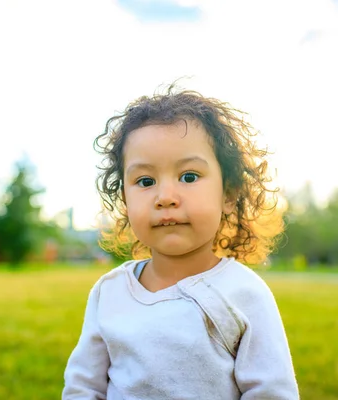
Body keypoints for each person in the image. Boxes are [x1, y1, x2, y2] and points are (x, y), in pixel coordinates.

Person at [63, 84, 299, 399]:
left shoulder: (244, 294)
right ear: (125, 199)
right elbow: (83, 387)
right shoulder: (110, 292)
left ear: (228, 194)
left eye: (188, 177)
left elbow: (271, 393)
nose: (165, 198)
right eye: (145, 181)